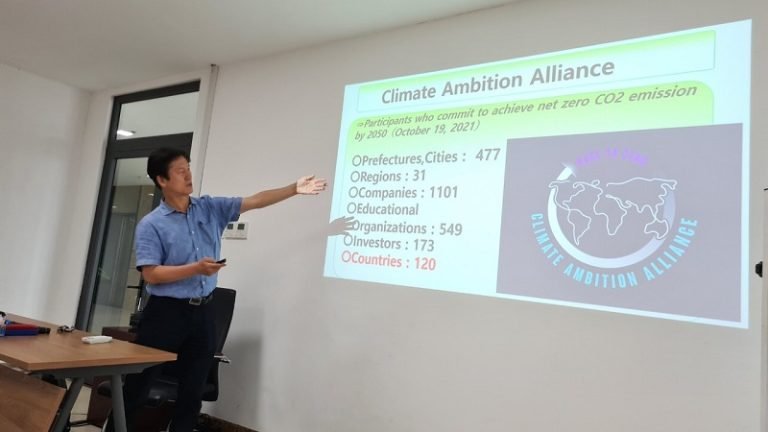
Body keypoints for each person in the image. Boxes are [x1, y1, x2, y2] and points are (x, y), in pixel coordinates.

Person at [105, 147, 326, 432]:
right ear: (162, 180)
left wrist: (294, 188)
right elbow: (151, 274)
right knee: (139, 385)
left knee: (193, 391)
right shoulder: (152, 224)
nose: (189, 175)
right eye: (180, 171)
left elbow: (256, 200)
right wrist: (195, 269)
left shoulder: (209, 208)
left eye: (189, 168)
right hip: (165, 315)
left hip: (203, 312)